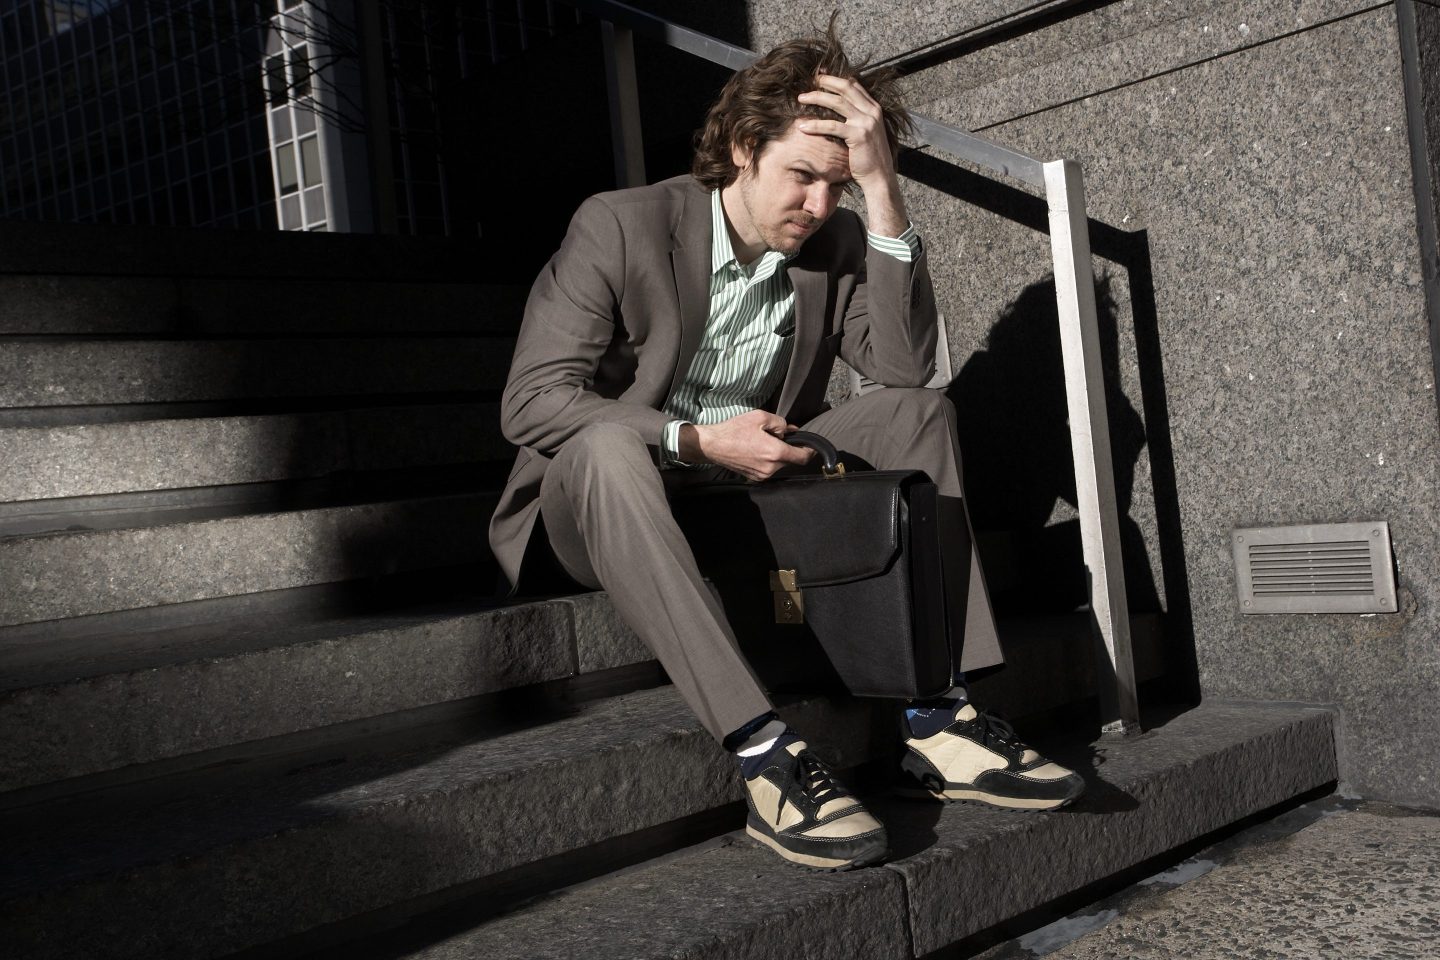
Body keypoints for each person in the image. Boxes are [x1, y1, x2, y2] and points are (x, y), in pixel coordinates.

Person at [489, 20, 1084, 871]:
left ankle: (937, 717)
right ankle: (767, 752)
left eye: (838, 185)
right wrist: (693, 439)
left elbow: (905, 366)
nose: (818, 207)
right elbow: (534, 401)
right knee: (606, 446)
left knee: (915, 413)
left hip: (745, 495)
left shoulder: (836, 240)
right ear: (741, 147)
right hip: (604, 504)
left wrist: (885, 196)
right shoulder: (619, 226)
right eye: (803, 176)